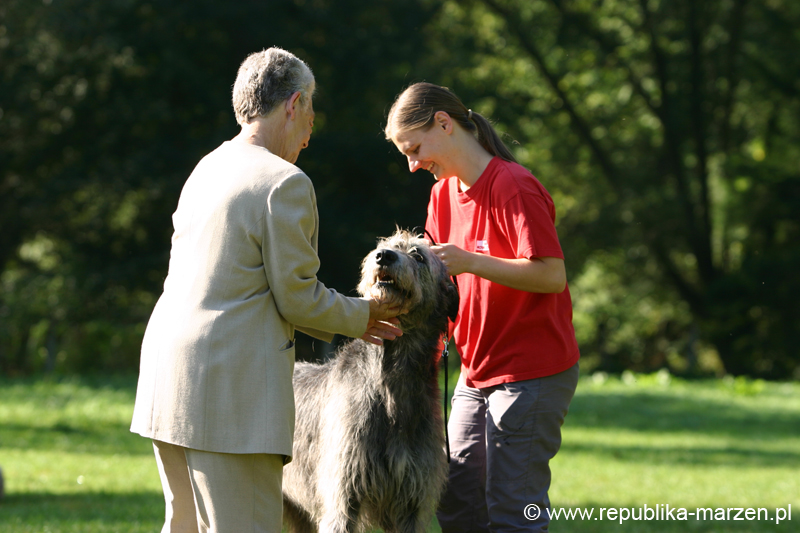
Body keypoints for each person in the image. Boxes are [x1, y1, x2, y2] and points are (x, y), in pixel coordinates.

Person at [131, 48, 403, 533]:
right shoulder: (284, 182)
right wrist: (365, 315)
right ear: (294, 104)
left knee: (183, 525)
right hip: (229, 391)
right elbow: (297, 297)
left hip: (166, 379)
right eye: (312, 108)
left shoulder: (207, 167)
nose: (312, 125)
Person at [386, 82, 580, 532]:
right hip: (476, 370)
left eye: (414, 149)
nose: (413, 165)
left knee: (512, 511)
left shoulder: (514, 186)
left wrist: (472, 261)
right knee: (455, 501)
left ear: (444, 124)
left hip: (530, 372)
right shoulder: (442, 195)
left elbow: (551, 275)